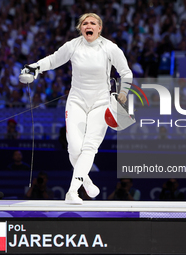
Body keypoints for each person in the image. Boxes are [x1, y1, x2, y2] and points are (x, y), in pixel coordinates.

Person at [25, 13, 132, 204]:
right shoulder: (72, 46)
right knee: (74, 148)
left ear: (99, 28)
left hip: (101, 102)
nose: (88, 25)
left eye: (92, 23)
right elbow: (53, 60)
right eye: (85, 23)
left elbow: (126, 72)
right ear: (80, 28)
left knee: (89, 146)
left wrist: (123, 92)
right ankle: (87, 182)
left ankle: (72, 191)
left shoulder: (110, 48)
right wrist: (35, 67)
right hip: (77, 100)